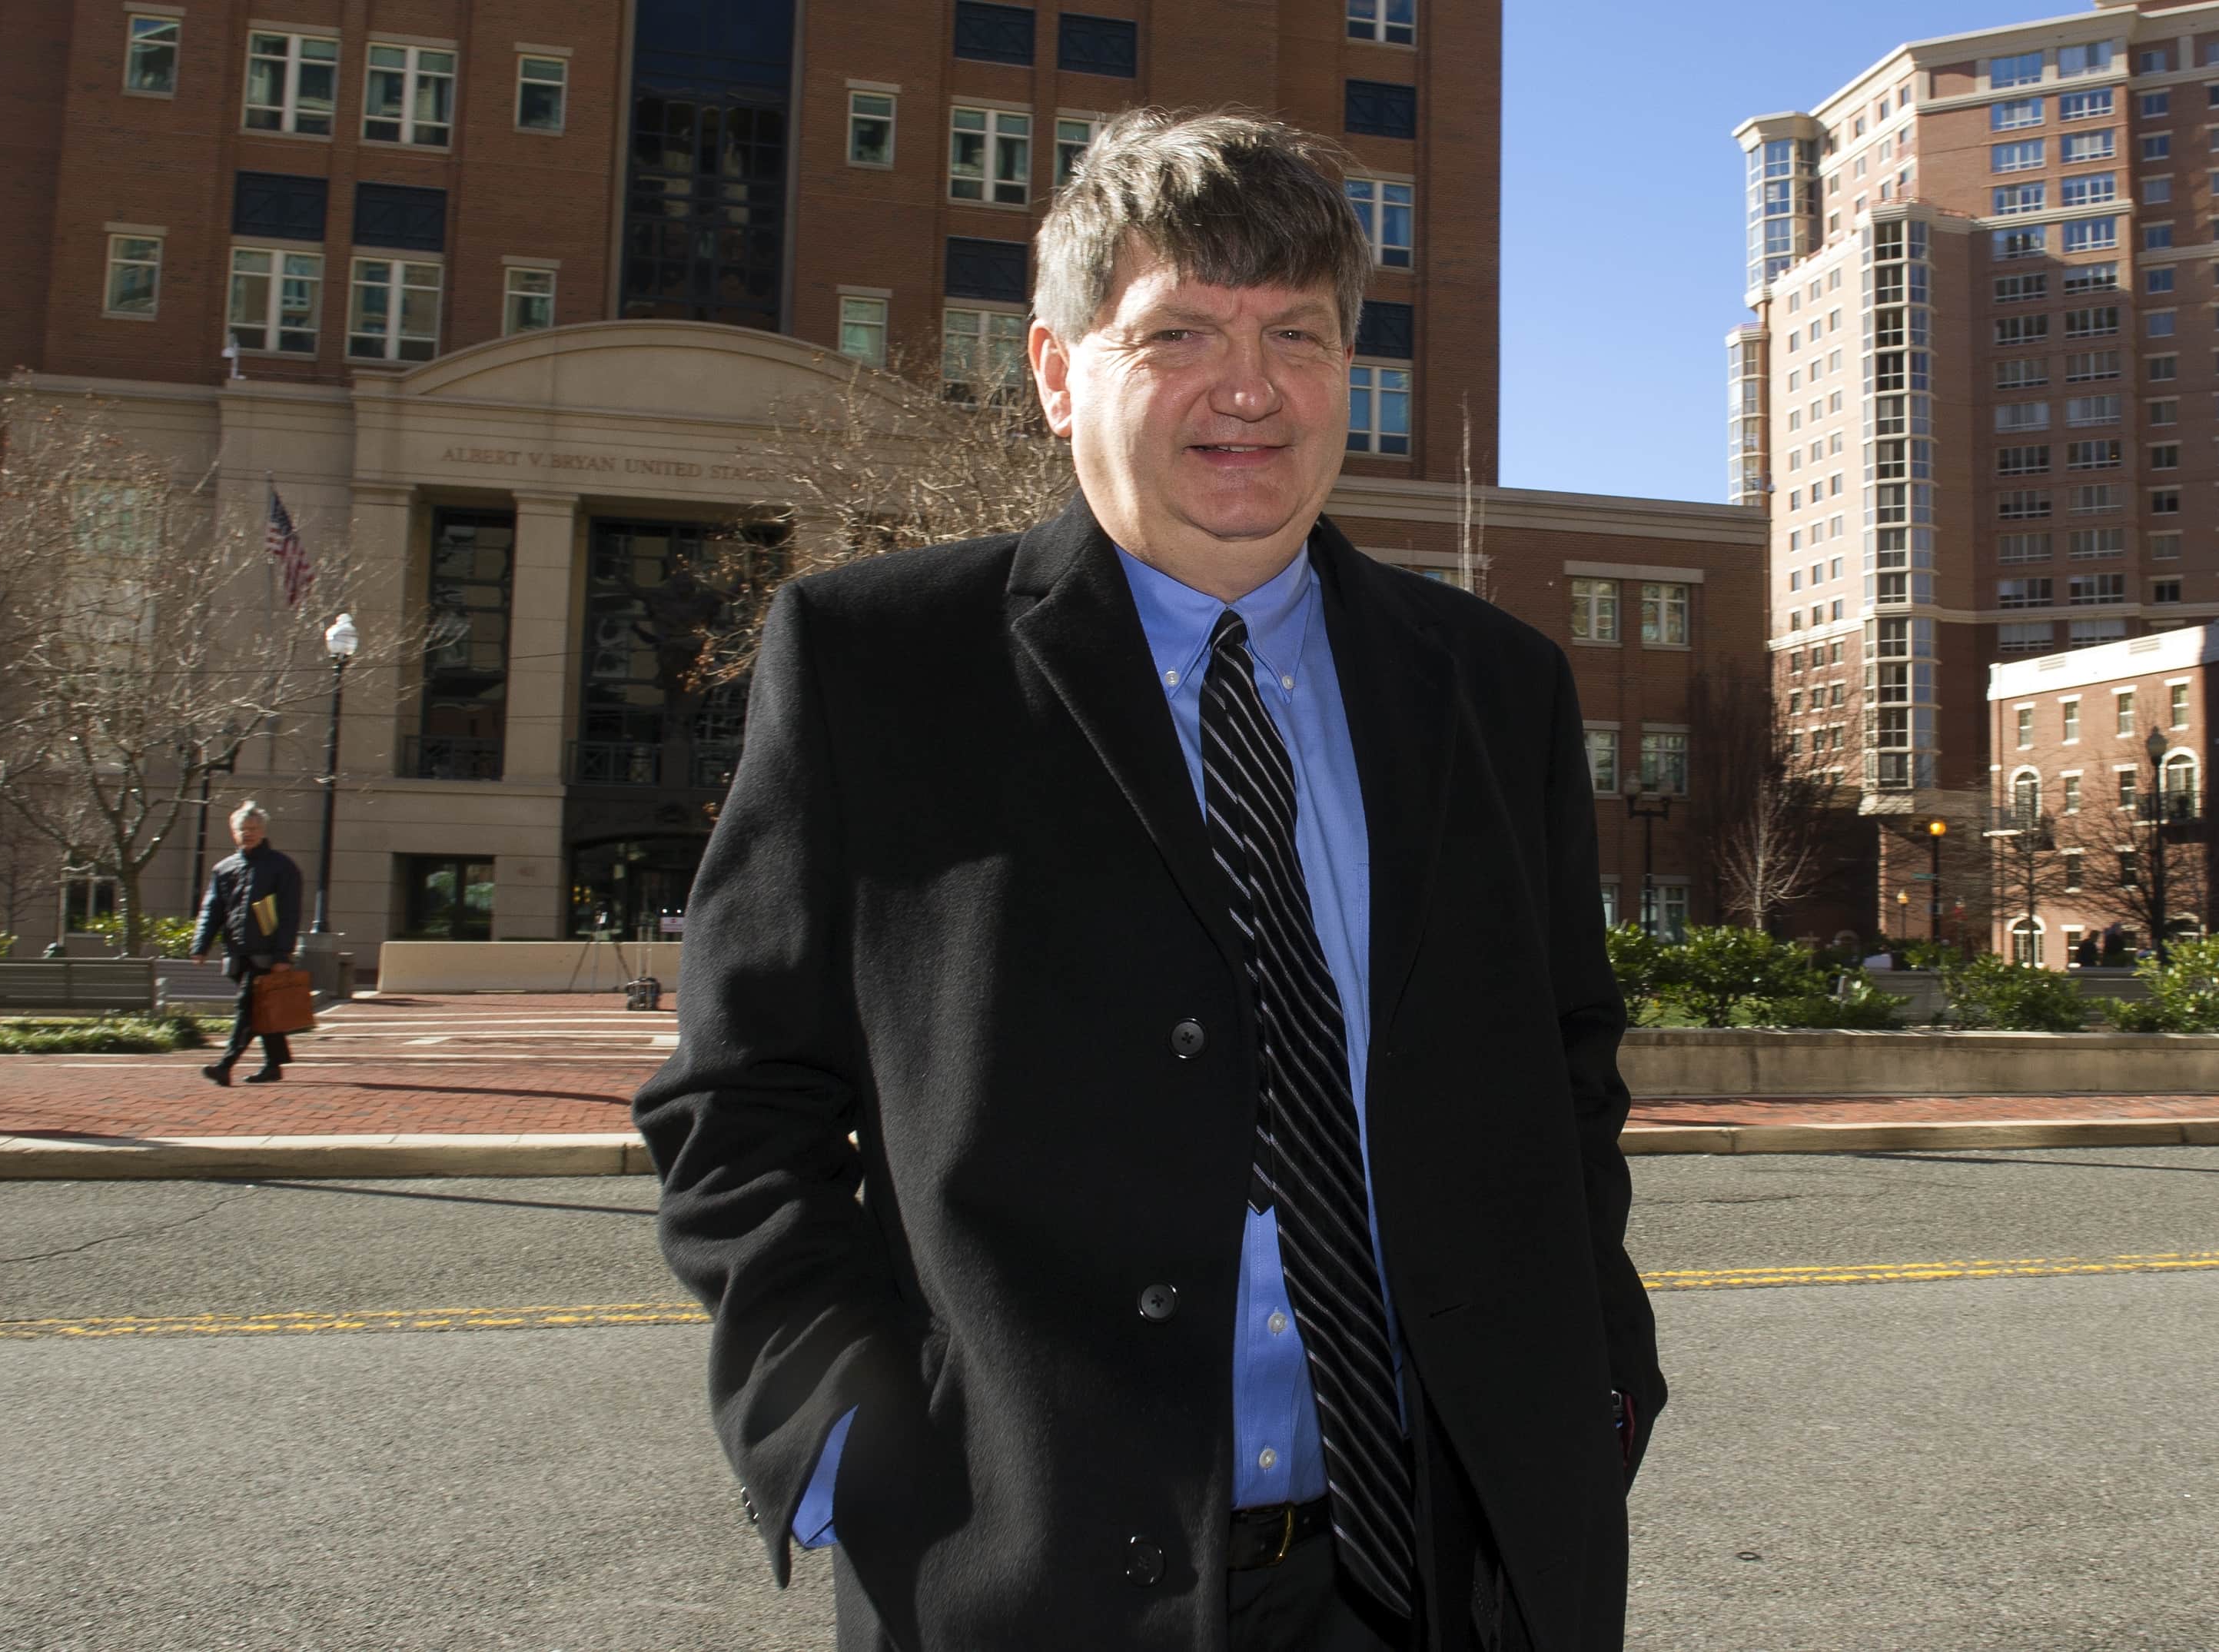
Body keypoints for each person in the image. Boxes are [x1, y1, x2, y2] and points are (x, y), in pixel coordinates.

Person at [634, 110, 1664, 1652]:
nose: (1247, 389)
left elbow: (1565, 1063)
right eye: (1176, 330)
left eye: (1296, 336)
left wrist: (1598, 1368)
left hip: (1445, 1577)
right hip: (1026, 1571)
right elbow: (739, 1098)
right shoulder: (876, 664)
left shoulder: (1492, 688)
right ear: (1056, 371)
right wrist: (836, 1430)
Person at [190, 801, 304, 1085]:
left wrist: (282, 954)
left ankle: (225, 1064)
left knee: (247, 1007)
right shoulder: (224, 869)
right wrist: (200, 945)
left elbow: (290, 914)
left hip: (267, 955)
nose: (248, 833)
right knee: (263, 1008)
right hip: (237, 954)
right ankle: (274, 1066)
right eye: (243, 829)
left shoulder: (282, 867)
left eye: (254, 829)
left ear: (263, 831)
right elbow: (211, 910)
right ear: (234, 832)